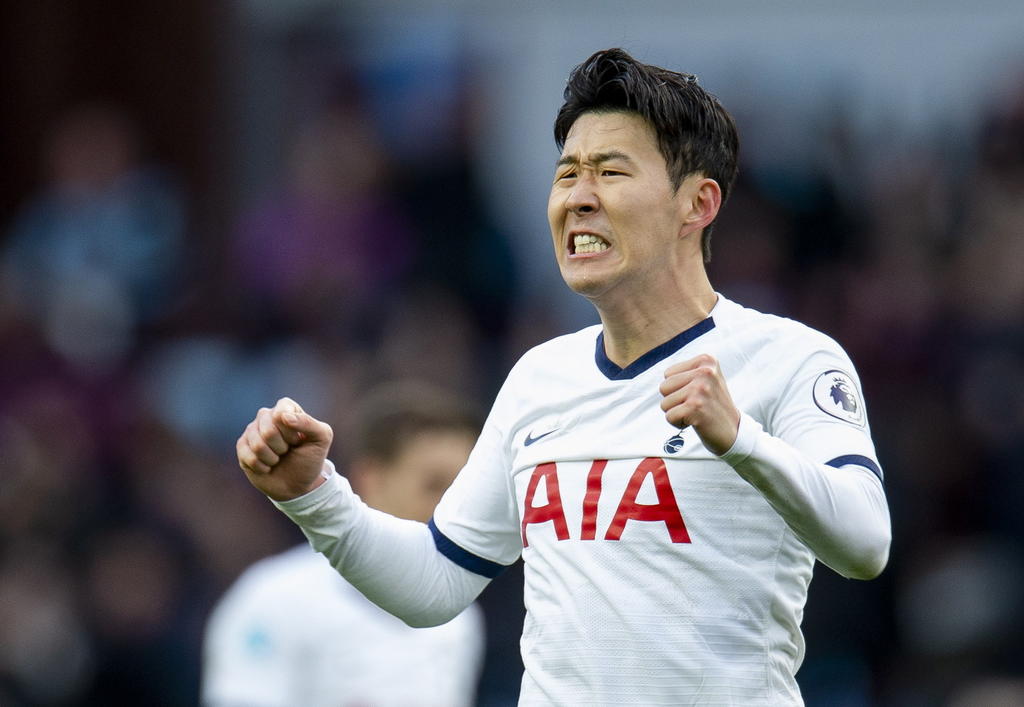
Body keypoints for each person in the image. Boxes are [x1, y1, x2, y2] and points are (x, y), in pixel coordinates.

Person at [236, 48, 891, 705]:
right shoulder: (539, 379)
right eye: (567, 174)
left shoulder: (791, 359)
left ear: (697, 203)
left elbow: (866, 541)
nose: (578, 198)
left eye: (610, 171)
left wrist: (740, 439)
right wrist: (313, 495)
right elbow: (435, 581)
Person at [208, 382, 485, 707]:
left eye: (462, 491)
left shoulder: (460, 619)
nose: (452, 507)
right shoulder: (273, 598)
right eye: (434, 485)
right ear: (371, 479)